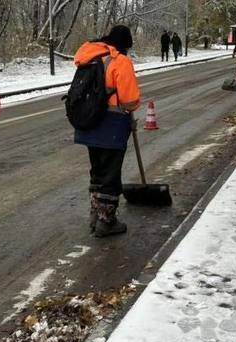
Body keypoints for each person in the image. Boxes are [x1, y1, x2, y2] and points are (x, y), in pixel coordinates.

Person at [73, 25, 141, 237]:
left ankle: (95, 214)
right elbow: (130, 101)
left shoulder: (89, 57)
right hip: (112, 125)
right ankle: (106, 221)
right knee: (111, 174)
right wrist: (131, 106)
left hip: (88, 123)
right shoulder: (120, 61)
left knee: (98, 170)